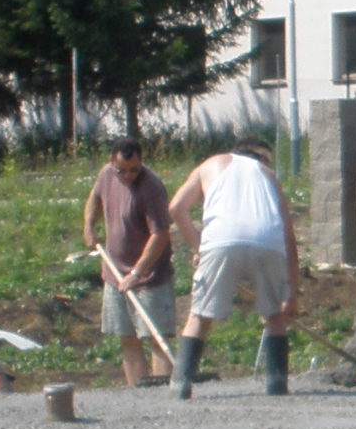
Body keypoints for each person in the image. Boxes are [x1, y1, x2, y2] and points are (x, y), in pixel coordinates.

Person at [167, 142, 301, 398]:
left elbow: (176, 208)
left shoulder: (210, 164)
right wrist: (291, 295)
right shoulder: (267, 174)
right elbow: (288, 235)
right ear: (259, 159)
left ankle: (181, 384)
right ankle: (276, 383)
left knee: (200, 315)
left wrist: (199, 248)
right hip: (268, 241)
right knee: (274, 315)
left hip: (221, 238)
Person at [83, 139, 176, 386]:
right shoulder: (106, 175)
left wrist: (136, 273)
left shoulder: (152, 188)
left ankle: (162, 396)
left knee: (156, 338)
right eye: (121, 170)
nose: (127, 176)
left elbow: (160, 234)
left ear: (141, 162)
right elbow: (95, 197)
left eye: (134, 170)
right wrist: (89, 226)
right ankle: (138, 392)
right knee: (127, 337)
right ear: (111, 162)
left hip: (150, 277)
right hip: (114, 272)